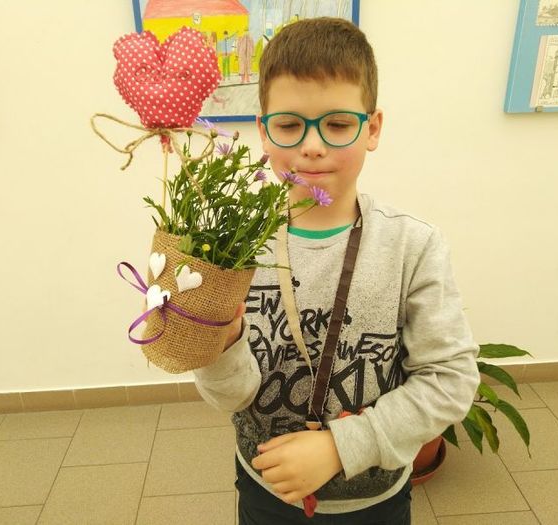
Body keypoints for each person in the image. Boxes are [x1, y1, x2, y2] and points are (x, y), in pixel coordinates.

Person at [193, 17, 480, 524]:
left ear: (373, 128)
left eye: (338, 124)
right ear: (263, 131)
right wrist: (220, 340)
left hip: (374, 499)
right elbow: (231, 395)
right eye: (289, 125)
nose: (312, 145)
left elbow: (450, 379)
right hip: (266, 487)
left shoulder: (412, 245)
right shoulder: (232, 249)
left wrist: (341, 446)